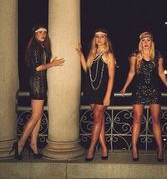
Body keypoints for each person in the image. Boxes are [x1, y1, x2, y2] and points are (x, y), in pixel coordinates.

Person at [10, 25, 65, 160]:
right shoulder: (35, 47)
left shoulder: (41, 47)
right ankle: (20, 143)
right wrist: (53, 64)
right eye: (40, 32)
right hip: (37, 83)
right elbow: (37, 67)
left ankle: (33, 144)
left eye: (45, 32)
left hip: (40, 83)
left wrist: (50, 62)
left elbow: (41, 65)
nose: (43, 34)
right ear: (35, 34)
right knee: (35, 115)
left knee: (39, 115)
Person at [120, 31, 167, 162]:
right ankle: (134, 149)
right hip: (138, 90)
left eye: (148, 40)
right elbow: (131, 72)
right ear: (140, 42)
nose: (146, 43)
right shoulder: (134, 55)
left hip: (154, 90)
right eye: (143, 40)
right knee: (137, 120)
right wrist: (124, 87)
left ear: (152, 42)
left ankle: (160, 149)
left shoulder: (158, 55)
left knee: (156, 120)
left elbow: (161, 72)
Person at [76, 28, 116, 161]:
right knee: (99, 120)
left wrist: (107, 96)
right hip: (91, 89)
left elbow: (111, 77)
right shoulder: (92, 53)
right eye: (97, 36)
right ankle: (104, 147)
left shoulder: (109, 55)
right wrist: (80, 53)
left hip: (102, 91)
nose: (99, 39)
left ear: (106, 39)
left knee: (97, 119)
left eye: (102, 36)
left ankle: (91, 148)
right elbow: (86, 69)